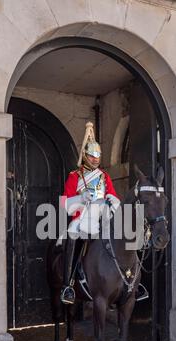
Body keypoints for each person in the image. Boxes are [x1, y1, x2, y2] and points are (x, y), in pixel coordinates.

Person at [60, 122, 120, 304]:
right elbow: (64, 203)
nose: (95, 159)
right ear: (85, 156)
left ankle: (130, 281)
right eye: (92, 156)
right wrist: (80, 198)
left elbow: (113, 196)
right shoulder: (74, 177)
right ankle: (68, 284)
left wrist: (113, 203)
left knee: (127, 238)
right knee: (72, 235)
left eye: (98, 155)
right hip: (82, 219)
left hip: (103, 219)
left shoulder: (104, 177)